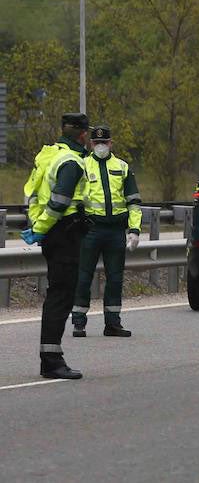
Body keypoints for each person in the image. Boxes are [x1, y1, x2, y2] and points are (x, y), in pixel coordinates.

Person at [20, 113, 92, 380]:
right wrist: (40, 229)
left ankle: (51, 357)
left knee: (58, 293)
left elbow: (33, 193)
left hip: (54, 233)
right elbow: (60, 202)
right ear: (83, 135)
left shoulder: (49, 155)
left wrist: (38, 227)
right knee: (61, 295)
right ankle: (51, 361)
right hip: (64, 233)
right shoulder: (72, 161)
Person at [72, 125, 141, 338]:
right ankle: (79, 323)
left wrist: (135, 230)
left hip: (115, 231)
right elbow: (75, 199)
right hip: (91, 230)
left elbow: (134, 202)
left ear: (111, 143)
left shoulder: (122, 167)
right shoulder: (82, 166)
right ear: (91, 144)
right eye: (97, 143)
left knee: (115, 279)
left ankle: (113, 324)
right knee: (83, 278)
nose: (101, 146)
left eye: (105, 142)